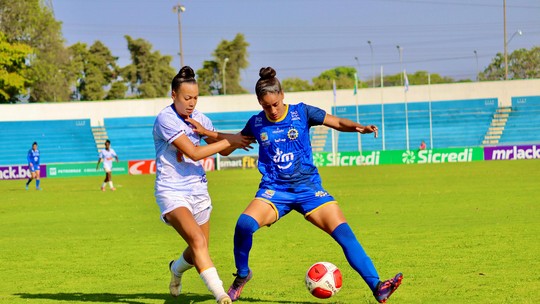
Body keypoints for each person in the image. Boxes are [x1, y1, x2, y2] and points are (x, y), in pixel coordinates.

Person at [225, 67, 403, 303]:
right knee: (244, 224)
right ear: (259, 102)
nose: (273, 110)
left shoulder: (302, 112)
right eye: (267, 105)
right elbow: (233, 144)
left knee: (344, 234)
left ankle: (378, 286)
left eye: (276, 103)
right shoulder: (256, 123)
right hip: (274, 190)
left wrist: (358, 127)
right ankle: (242, 276)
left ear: (282, 95)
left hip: (309, 189)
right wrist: (208, 136)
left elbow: (336, 121)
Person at [153, 66, 253, 304]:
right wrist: (229, 139)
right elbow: (195, 153)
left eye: (196, 97)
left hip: (199, 190)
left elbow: (225, 151)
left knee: (199, 248)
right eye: (187, 98)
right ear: (173, 95)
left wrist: (235, 140)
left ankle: (176, 269)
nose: (192, 103)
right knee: (198, 242)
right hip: (172, 191)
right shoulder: (165, 119)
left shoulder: (200, 118)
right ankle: (220, 295)